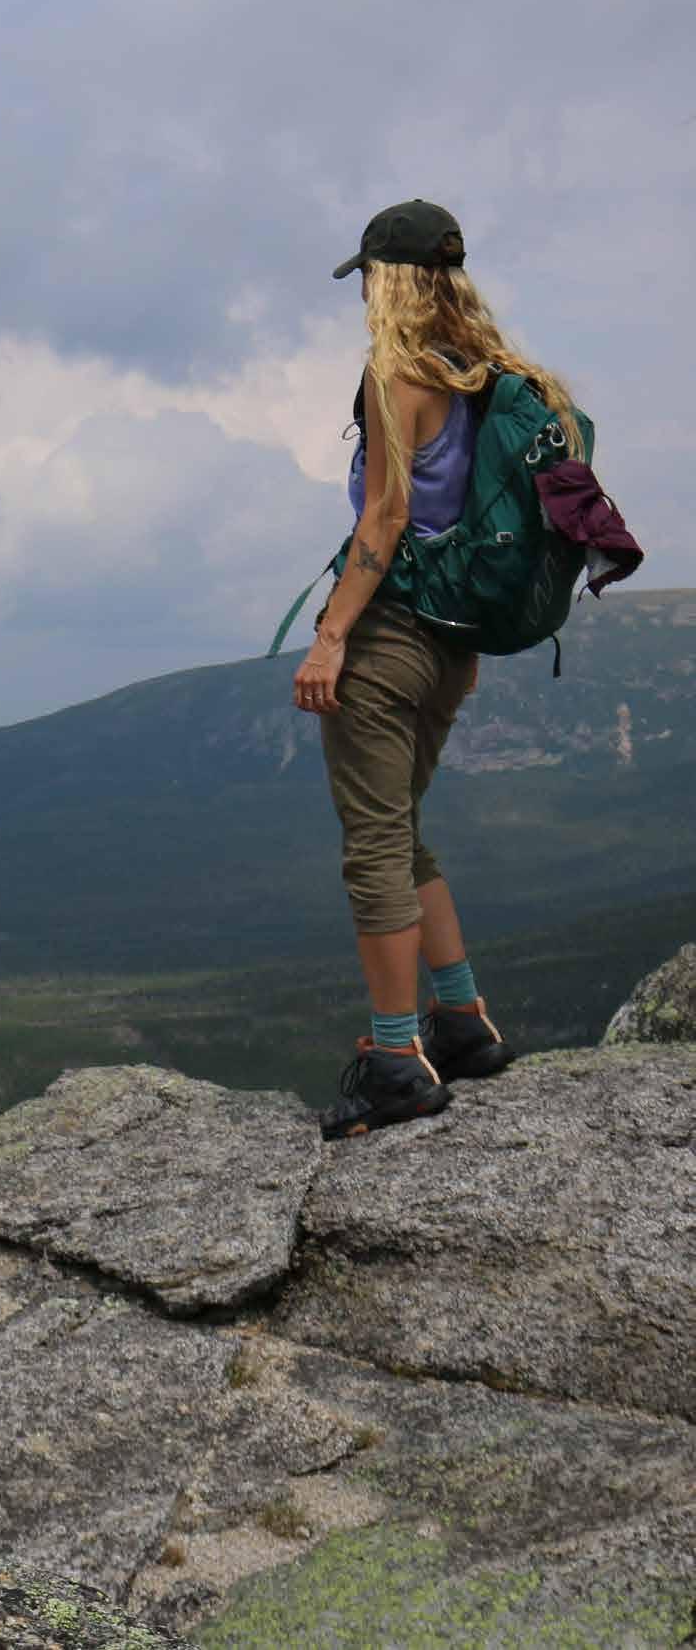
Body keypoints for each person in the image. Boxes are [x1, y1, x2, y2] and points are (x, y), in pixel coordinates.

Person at [294, 198, 582, 1141]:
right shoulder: (496, 376)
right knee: (404, 830)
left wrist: (332, 634)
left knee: (371, 846)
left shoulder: (395, 372)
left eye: (368, 276)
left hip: (388, 636)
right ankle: (458, 1023)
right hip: (455, 641)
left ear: (388, 280)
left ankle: (393, 1063)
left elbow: (382, 522)